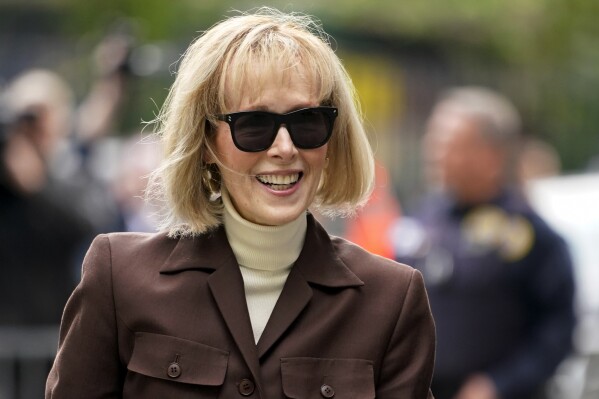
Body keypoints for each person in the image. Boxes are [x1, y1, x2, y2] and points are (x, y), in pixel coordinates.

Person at [46, 8, 436, 398]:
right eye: (254, 125)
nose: (285, 148)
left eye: (308, 122)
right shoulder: (120, 277)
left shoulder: (392, 299)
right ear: (205, 144)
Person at [393, 86, 576, 399]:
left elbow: (558, 329)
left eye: (449, 144)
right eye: (433, 141)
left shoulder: (530, 235)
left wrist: (500, 385)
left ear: (491, 156)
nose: (434, 153)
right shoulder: (421, 218)